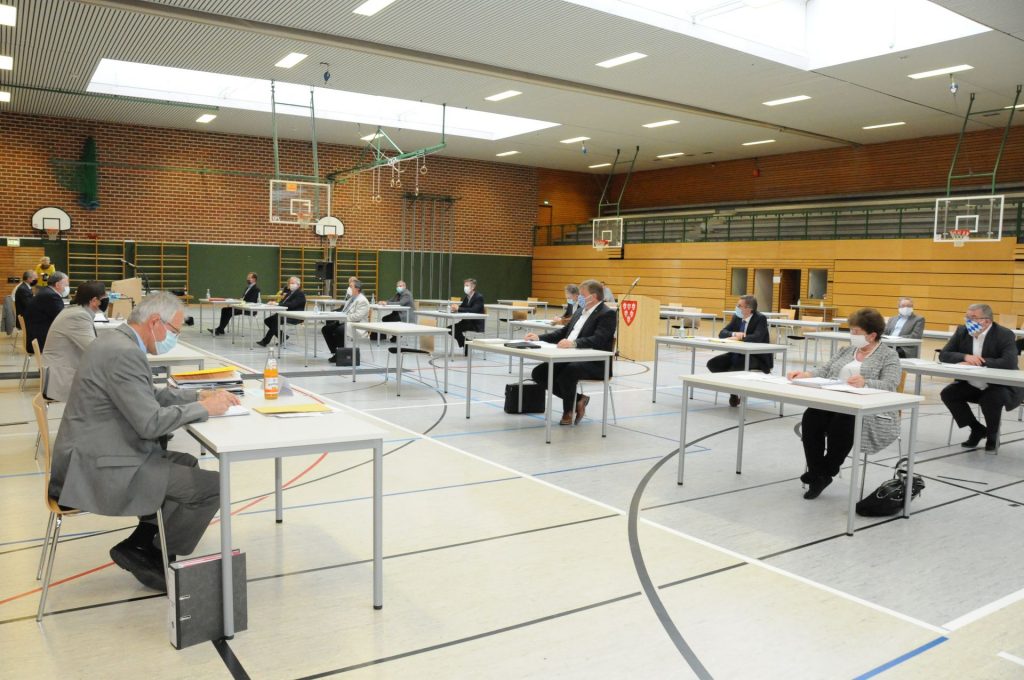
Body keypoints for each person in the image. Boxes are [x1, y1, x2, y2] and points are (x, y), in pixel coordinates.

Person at [48, 292, 238, 590]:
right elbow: (150, 423)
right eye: (174, 331)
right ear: (154, 322)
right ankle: (154, 551)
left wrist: (195, 396)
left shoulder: (116, 343)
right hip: (97, 466)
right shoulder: (124, 353)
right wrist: (204, 408)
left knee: (185, 462)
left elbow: (145, 396)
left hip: (94, 451)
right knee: (214, 487)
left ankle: (141, 544)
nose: (174, 338)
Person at [787, 308, 901, 499]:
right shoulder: (846, 350)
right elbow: (825, 370)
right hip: (834, 400)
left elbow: (891, 384)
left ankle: (823, 472)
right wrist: (806, 374)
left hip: (866, 409)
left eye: (857, 333)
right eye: (851, 331)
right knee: (811, 417)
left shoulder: (888, 355)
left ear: (872, 335)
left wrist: (866, 382)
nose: (852, 335)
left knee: (843, 422)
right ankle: (819, 473)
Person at [524, 279, 617, 425]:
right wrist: (538, 337)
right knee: (539, 373)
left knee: (568, 372)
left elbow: (599, 339)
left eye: (582, 294)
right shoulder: (580, 311)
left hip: (595, 362)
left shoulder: (607, 314)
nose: (579, 297)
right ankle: (579, 400)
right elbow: (563, 332)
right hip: (570, 357)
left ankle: (568, 411)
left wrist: (573, 343)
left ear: (592, 296)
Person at [939, 303, 1024, 451]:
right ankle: (977, 428)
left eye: (973, 317)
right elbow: (944, 354)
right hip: (973, 383)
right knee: (948, 393)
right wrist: (965, 356)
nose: (968, 320)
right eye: (967, 317)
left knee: (990, 399)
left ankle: (993, 435)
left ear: (987, 321)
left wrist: (979, 362)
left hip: (1001, 385)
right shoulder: (962, 331)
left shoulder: (1004, 334)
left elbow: (1009, 361)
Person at [41, 280, 106, 402]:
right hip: (60, 379)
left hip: (62, 370)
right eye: (104, 298)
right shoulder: (78, 316)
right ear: (93, 300)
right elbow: (94, 349)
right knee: (110, 393)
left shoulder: (76, 311)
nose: (105, 301)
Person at [707, 294, 774, 407]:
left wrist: (741, 337)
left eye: (739, 306)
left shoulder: (760, 318)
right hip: (738, 353)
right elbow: (722, 333)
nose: (737, 308)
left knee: (734, 369)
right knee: (713, 364)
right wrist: (734, 333)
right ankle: (733, 390)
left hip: (757, 357)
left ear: (749, 308)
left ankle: (733, 393)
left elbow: (757, 337)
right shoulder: (737, 317)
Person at [323, 278, 369, 356]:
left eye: (351, 287)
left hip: (357, 325)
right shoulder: (350, 299)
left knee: (340, 330)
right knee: (326, 329)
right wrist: (337, 315)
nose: (349, 289)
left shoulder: (362, 300)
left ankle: (341, 355)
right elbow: (344, 312)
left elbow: (357, 317)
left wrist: (342, 318)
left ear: (357, 289)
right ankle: (336, 352)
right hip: (346, 322)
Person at [257, 276, 306, 347]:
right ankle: (282, 336)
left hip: (294, 316)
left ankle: (265, 341)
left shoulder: (300, 294)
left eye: (292, 283)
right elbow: (283, 302)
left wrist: (277, 304)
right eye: (290, 283)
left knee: (275, 320)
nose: (290, 285)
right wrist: (273, 303)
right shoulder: (289, 293)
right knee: (268, 320)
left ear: (298, 285)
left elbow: (292, 305)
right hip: (285, 314)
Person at [25, 270, 68, 352]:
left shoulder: (46, 291)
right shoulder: (51, 296)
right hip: (41, 340)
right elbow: (62, 318)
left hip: (36, 335)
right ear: (57, 284)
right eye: (66, 284)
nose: (67, 286)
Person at [208, 271, 260, 335]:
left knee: (229, 311)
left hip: (249, 309)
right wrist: (239, 300)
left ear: (254, 279)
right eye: (247, 277)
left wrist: (241, 302)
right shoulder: (247, 288)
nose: (247, 279)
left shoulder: (256, 289)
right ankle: (221, 329)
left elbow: (251, 301)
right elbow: (244, 298)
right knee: (224, 310)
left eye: (249, 278)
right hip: (242, 306)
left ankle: (220, 329)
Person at [451, 278, 485, 351]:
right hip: (466, 322)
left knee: (454, 329)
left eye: (467, 285)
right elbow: (462, 307)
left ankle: (466, 344)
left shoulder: (479, 297)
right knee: (450, 329)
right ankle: (466, 343)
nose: (465, 287)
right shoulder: (467, 297)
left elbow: (474, 310)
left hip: (475, 323)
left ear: (473, 287)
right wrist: (455, 308)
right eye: (464, 285)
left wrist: (458, 309)